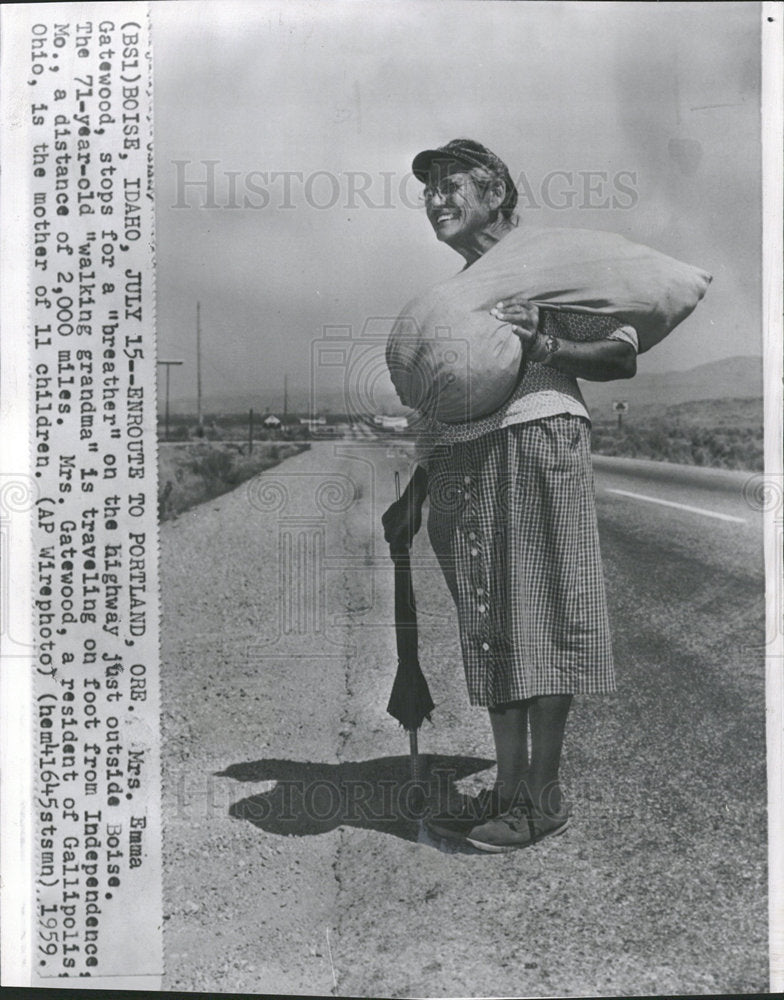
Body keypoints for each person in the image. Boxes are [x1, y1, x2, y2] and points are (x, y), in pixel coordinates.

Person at [382, 139, 638, 852]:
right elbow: (446, 402)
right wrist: (417, 487)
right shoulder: (458, 292)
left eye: (449, 184)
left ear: (495, 190)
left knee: (543, 617)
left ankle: (542, 800)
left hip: (537, 438)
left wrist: (545, 347)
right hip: (464, 458)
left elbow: (621, 352)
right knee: (493, 623)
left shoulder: (550, 266)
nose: (434, 200)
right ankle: (508, 790)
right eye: (427, 189)